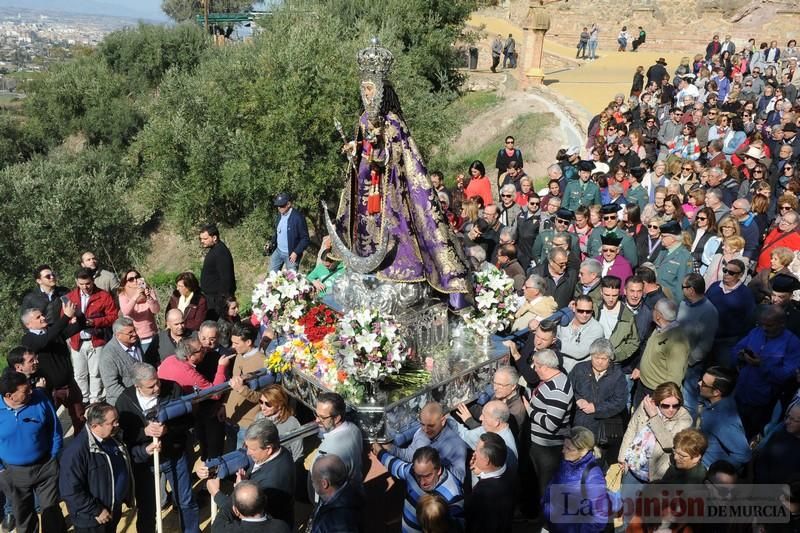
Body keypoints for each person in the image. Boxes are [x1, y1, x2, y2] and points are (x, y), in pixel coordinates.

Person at [331, 40, 469, 306]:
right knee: (366, 227)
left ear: (382, 91)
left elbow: (399, 155)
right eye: (364, 90)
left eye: (371, 89)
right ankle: (363, 259)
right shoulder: (363, 120)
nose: (367, 95)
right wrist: (355, 148)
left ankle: (402, 270)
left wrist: (377, 153)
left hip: (391, 191)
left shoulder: (393, 123)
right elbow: (364, 148)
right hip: (367, 188)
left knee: (398, 230)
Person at [115, 363, 199, 533]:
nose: (157, 388)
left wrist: (169, 429)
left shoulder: (173, 389)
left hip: (174, 455)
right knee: (147, 508)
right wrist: (143, 432)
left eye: (158, 382)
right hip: (145, 464)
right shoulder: (125, 401)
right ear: (137, 386)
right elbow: (121, 436)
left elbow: (188, 420)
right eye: (151, 386)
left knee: (186, 501)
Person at [0, 370, 66, 533]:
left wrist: (54, 454)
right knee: (24, 514)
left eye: (30, 387)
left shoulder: (40, 399)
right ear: (10, 395)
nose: (31, 391)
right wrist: (1, 470)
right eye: (25, 390)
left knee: (51, 511)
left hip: (45, 466)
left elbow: (55, 428)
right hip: (13, 472)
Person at [203, 419, 295, 529]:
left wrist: (217, 493)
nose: (248, 453)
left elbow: (250, 513)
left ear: (268, 449)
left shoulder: (271, 483)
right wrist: (245, 481)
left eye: (252, 449)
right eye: (247, 447)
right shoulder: (281, 452)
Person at [59, 403, 133, 533]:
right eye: (112, 422)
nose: (117, 425)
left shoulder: (112, 438)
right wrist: (96, 510)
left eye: (117, 420)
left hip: (112, 511)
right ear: (95, 426)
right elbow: (70, 490)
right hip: (93, 519)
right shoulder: (75, 452)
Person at [734, 305, 800, 440]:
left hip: (763, 402)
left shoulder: (792, 343)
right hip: (742, 393)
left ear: (781, 324)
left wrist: (761, 365)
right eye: (762, 324)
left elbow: (786, 375)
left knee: (754, 435)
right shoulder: (756, 332)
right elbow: (737, 348)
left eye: (769, 325)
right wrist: (740, 355)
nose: (764, 328)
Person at [20, 302, 85, 432]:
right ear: (29, 325)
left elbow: (77, 327)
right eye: (38, 317)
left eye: (42, 315)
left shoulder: (52, 330)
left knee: (80, 417)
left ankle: (83, 446)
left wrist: (78, 313)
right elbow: (45, 340)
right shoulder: (28, 340)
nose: (43, 317)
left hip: (70, 384)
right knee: (50, 422)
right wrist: (65, 317)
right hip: (51, 390)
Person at [372, 445, 464, 533]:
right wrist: (379, 451)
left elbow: (457, 527)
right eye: (418, 476)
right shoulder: (412, 471)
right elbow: (395, 466)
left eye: (427, 476)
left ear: (439, 470)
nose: (422, 482)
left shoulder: (453, 495)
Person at [526, 349, 575, 507]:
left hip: (548, 449)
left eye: (536, 366)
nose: (534, 369)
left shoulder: (557, 391)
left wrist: (530, 410)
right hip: (540, 445)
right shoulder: (554, 380)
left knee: (546, 489)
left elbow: (551, 424)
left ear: (545, 367)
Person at [619, 381, 692, 485]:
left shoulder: (685, 419)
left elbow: (670, 444)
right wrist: (622, 457)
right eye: (666, 406)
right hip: (632, 469)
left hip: (655, 477)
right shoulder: (647, 405)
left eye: (675, 405)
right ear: (658, 402)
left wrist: (654, 417)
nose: (671, 409)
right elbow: (632, 428)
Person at [569, 339, 628, 465]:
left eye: (604, 358)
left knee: (596, 465)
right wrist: (577, 399)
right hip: (579, 426)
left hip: (602, 432)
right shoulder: (579, 369)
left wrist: (596, 408)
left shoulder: (617, 376)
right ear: (591, 356)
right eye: (596, 358)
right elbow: (568, 389)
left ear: (610, 358)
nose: (600, 362)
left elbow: (620, 402)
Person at [65, 267, 118, 404]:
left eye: (88, 283)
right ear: (76, 282)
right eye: (81, 284)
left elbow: (112, 316)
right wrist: (71, 320)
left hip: (96, 339)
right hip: (77, 340)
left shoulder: (104, 296)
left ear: (93, 281)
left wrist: (94, 322)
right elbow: (62, 317)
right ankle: (82, 398)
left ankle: (96, 399)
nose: (85, 287)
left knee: (96, 372)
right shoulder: (70, 297)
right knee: (79, 373)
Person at [543, 426, 610, 533]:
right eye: (564, 446)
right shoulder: (567, 462)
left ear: (583, 451)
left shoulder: (593, 477)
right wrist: (546, 507)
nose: (563, 450)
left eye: (568, 448)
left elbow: (599, 518)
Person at [389, 401, 468, 483]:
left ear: (442, 421)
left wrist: (437, 464)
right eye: (422, 424)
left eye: (431, 426)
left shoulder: (456, 445)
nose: (426, 430)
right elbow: (410, 455)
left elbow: (460, 478)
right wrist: (390, 448)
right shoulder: (421, 432)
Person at [632, 299, 690, 407]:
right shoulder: (659, 328)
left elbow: (674, 376)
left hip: (656, 392)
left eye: (654, 309)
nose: (652, 312)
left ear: (658, 315)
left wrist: (663, 398)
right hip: (644, 385)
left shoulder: (677, 342)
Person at [677, 273, 719, 418]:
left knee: (689, 400)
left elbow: (705, 344)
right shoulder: (683, 304)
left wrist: (689, 361)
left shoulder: (709, 312)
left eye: (683, 287)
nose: (681, 289)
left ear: (691, 290)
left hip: (691, 365)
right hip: (675, 358)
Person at [696, 366, 751, 469]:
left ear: (717, 392)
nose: (699, 383)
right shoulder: (713, 403)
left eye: (703, 384)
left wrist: (716, 471)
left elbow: (743, 455)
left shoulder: (724, 420)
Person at [99, 317, 159, 407]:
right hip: (123, 403)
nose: (135, 334)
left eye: (134, 330)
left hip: (144, 397)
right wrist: (134, 399)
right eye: (130, 333)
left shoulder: (135, 342)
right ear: (118, 335)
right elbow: (111, 386)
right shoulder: (108, 355)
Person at [225, 322, 266, 447]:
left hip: (246, 424)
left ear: (248, 342)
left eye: (236, 343)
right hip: (230, 417)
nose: (233, 346)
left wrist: (242, 389)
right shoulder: (239, 355)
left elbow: (261, 398)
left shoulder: (262, 363)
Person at [464, 433, 514, 533]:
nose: (474, 453)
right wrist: (480, 472)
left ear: (486, 461)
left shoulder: (481, 494)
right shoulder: (509, 471)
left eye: (477, 451)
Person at [451, 400, 518, 473]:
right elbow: (465, 435)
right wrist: (448, 419)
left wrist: (481, 473)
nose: (480, 418)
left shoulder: (506, 449)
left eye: (484, 416)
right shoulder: (490, 428)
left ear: (496, 422)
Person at [313, 392, 364, 487]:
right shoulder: (355, 429)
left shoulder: (327, 451)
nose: (317, 420)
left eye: (323, 417)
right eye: (316, 415)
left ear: (337, 418)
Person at [309, 454, 364, 533]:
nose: (312, 483)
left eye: (313, 480)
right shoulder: (351, 489)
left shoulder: (338, 524)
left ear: (324, 484)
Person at [211, 481, 290, 533]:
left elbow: (221, 519)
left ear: (236, 511)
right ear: (264, 501)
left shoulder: (225, 530)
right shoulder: (282, 527)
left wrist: (216, 493)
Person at [199, 222, 237, 320]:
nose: (202, 241)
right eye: (201, 239)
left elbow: (226, 279)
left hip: (218, 299)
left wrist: (224, 302)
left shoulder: (221, 252)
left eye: (205, 239)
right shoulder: (215, 249)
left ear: (214, 238)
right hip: (212, 298)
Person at [117, 269, 160, 353]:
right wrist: (136, 296)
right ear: (126, 283)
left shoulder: (148, 290)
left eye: (137, 277)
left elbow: (156, 310)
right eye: (131, 279)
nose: (135, 280)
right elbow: (126, 311)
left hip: (152, 333)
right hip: (136, 337)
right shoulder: (123, 295)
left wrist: (149, 297)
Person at [558, 295, 604, 371]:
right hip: (558, 370)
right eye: (580, 311)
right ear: (574, 308)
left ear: (592, 311)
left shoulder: (597, 328)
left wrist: (557, 343)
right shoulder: (564, 322)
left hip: (578, 374)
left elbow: (579, 352)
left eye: (588, 311)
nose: (584, 315)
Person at [268, 192, 310, 273]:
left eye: (282, 205)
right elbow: (277, 232)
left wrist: (296, 252)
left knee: (291, 279)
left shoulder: (298, 218)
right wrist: (271, 243)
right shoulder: (280, 214)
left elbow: (305, 239)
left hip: (291, 255)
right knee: (271, 275)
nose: (279, 208)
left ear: (288, 204)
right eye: (278, 206)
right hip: (278, 251)